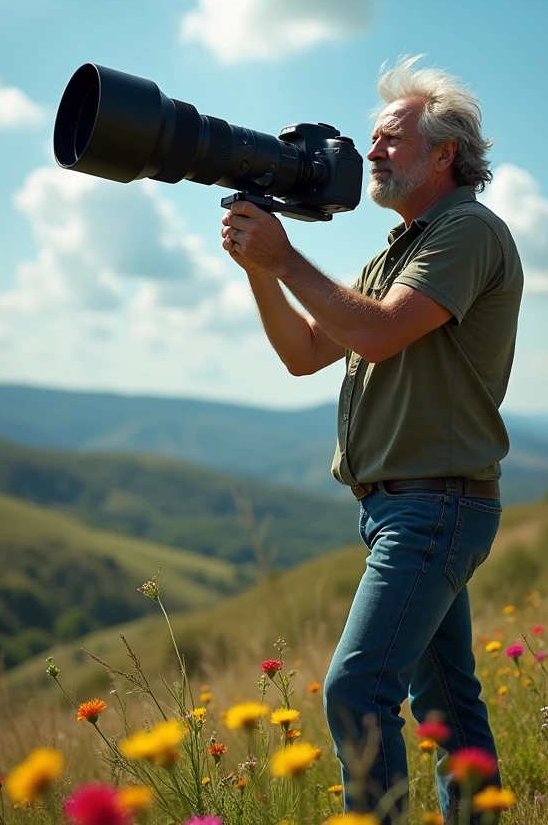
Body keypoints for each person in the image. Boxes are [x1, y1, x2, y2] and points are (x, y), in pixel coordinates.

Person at [220, 55, 523, 824]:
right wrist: (261, 265)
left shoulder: (468, 231)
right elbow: (303, 353)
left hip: (435, 508)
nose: (373, 152)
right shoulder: (396, 252)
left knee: (357, 692)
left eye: (391, 139)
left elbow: (380, 334)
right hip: (401, 509)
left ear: (444, 154)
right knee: (448, 707)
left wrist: (285, 255)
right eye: (374, 137)